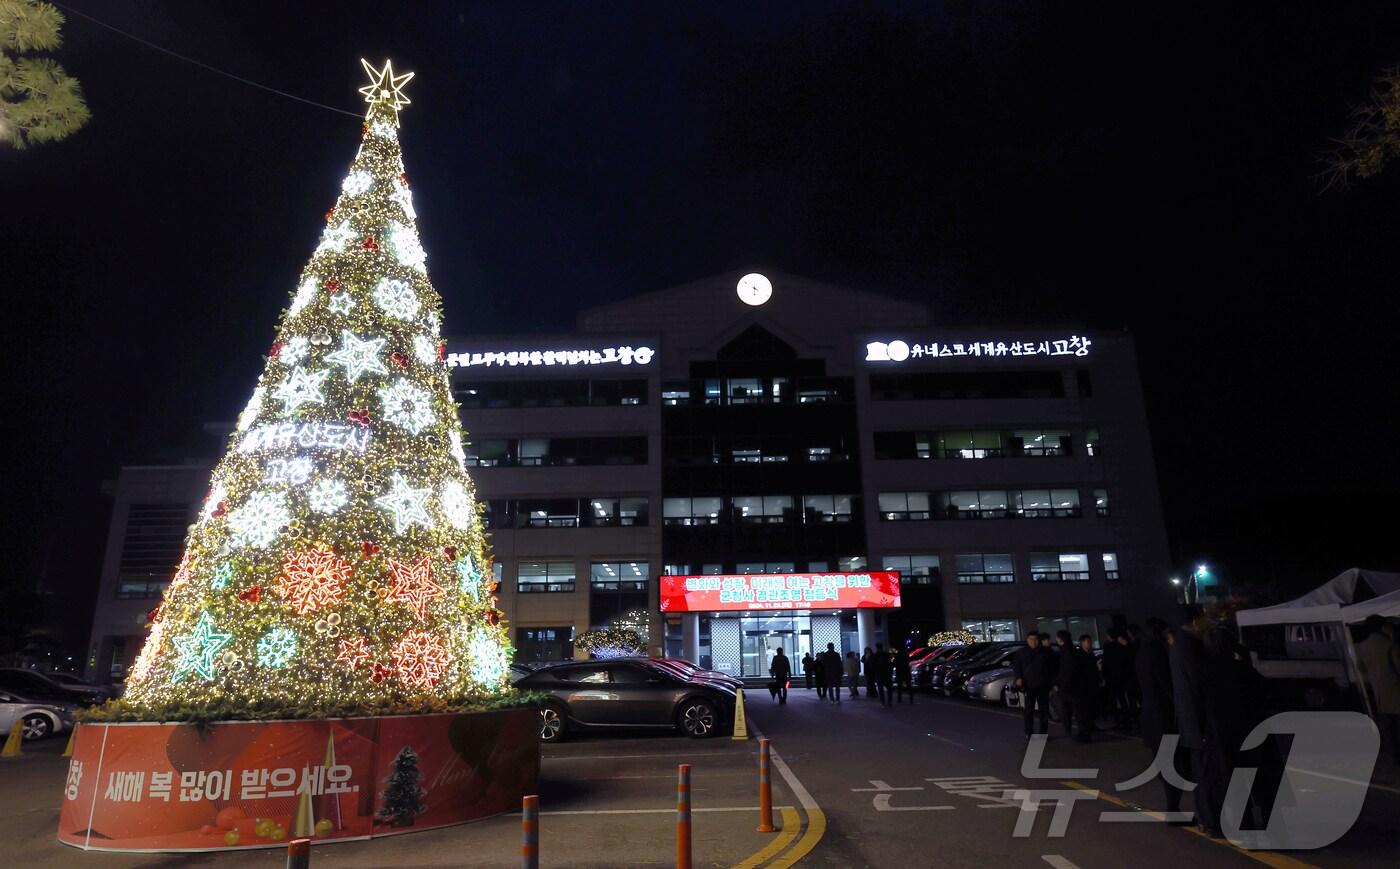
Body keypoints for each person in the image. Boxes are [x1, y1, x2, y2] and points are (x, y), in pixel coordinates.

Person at [1171, 619, 1227, 837]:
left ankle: (1208, 819)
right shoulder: (1191, 649)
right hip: (1200, 726)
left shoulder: (1179, 647)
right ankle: (1212, 821)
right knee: (1209, 776)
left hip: (1192, 725)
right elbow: (1199, 688)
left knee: (1203, 775)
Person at [1136, 619, 1188, 819]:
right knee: (1172, 764)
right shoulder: (1157, 652)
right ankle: (1173, 810)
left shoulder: (1142, 653)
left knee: (1166, 762)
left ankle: (1173, 808)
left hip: (1150, 715)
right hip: (1163, 716)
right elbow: (1167, 684)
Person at [1356, 615, 1400, 764]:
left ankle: (1395, 757)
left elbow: (1361, 669)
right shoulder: (1390, 645)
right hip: (1395, 692)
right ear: (1383, 627)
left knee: (1389, 729)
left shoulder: (1362, 646)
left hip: (1379, 694)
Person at [1054, 630, 1095, 742]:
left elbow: (1067, 670)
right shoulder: (1073, 650)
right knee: (1078, 710)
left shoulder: (1066, 652)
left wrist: (1060, 684)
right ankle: (1082, 732)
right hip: (1076, 686)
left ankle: (1081, 733)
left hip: (1070, 686)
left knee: (1073, 710)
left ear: (1060, 639)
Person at [1012, 633, 1055, 736]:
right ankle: (1029, 732)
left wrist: (1051, 682)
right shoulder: (1021, 653)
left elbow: (1051, 668)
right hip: (1028, 685)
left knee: (1043, 711)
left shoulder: (1045, 652)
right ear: (1027, 640)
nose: (1033, 641)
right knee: (1028, 711)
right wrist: (1018, 678)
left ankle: (1043, 733)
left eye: (1035, 639)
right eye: (1031, 639)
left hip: (1043, 685)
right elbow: (1016, 666)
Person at [1101, 628, 1131, 728]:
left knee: (1112, 699)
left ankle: (1116, 720)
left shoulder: (1107, 647)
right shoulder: (1120, 646)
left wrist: (1104, 674)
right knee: (1122, 698)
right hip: (1121, 676)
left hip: (1111, 677)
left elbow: (1105, 662)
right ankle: (1126, 719)